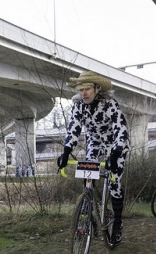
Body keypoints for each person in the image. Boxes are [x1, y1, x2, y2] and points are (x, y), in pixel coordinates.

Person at [57, 71, 130, 245]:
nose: (84, 93)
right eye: (81, 89)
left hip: (115, 144)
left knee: (114, 183)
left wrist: (116, 152)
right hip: (95, 144)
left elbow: (121, 129)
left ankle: (118, 223)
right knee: (87, 176)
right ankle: (90, 214)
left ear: (96, 88)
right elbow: (73, 129)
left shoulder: (109, 104)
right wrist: (66, 151)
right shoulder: (78, 106)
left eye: (87, 89)